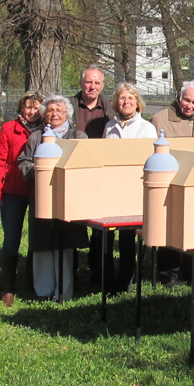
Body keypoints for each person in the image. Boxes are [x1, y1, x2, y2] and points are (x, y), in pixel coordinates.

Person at [18, 96, 89, 301]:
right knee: (41, 243)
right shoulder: (36, 137)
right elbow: (24, 162)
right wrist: (37, 170)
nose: (54, 114)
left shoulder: (77, 136)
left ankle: (63, 291)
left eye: (59, 110)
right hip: (41, 198)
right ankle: (43, 291)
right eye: (49, 110)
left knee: (65, 244)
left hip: (66, 198)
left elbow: (82, 163)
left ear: (67, 114)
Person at [151, 80, 194, 285]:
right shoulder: (159, 120)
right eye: (186, 100)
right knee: (170, 228)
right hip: (169, 184)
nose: (189, 106)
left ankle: (193, 273)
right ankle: (169, 275)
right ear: (179, 97)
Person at [103, 83, 157, 295]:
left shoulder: (146, 128)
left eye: (130, 98)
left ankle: (125, 281)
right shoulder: (109, 127)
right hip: (111, 189)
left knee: (126, 239)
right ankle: (106, 281)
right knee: (105, 238)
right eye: (122, 98)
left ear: (137, 103)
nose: (126, 102)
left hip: (134, 189)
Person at [0, 91, 44, 306]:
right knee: (11, 238)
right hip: (13, 191)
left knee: (36, 237)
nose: (32, 111)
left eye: (36, 107)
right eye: (28, 107)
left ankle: (30, 282)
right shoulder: (8, 129)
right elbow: (0, 160)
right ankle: (8, 287)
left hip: (36, 190)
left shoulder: (45, 130)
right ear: (21, 108)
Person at [71, 65, 111, 286]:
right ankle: (73, 270)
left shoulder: (109, 110)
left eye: (96, 83)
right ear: (81, 83)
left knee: (100, 229)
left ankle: (99, 273)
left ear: (102, 86)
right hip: (75, 172)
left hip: (100, 174)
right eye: (88, 82)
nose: (92, 86)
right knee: (74, 224)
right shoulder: (69, 106)